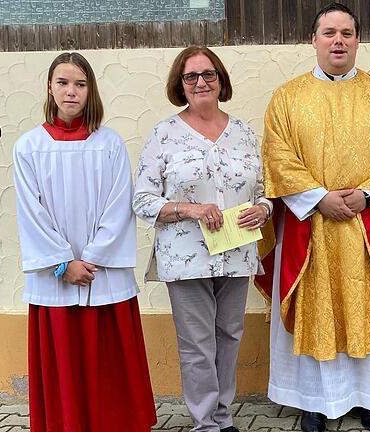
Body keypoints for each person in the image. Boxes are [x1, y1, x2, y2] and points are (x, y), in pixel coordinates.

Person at [257, 3, 370, 432]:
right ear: (313, 40)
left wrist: (366, 196)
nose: (338, 41)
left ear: (356, 40)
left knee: (366, 307)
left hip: (369, 227)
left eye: (346, 33)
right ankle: (313, 401)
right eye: (329, 33)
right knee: (317, 308)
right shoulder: (288, 98)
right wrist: (318, 198)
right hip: (310, 225)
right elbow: (277, 155)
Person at [13, 52, 156, 431]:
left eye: (80, 83)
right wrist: (63, 263)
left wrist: (90, 258)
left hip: (100, 275)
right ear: (50, 87)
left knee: (108, 360)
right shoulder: (28, 146)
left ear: (90, 89)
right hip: (56, 277)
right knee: (65, 360)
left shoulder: (109, 143)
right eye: (63, 83)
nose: (71, 91)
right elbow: (31, 212)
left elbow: (117, 205)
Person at [132, 46, 271, 432]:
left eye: (208, 74)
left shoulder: (243, 132)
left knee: (229, 335)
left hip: (237, 250)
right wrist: (190, 209)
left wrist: (264, 209)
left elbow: (262, 190)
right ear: (180, 85)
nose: (200, 82)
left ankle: (223, 417)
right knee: (197, 343)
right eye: (190, 77)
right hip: (186, 256)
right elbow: (142, 200)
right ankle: (204, 423)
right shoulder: (164, 133)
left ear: (221, 80)